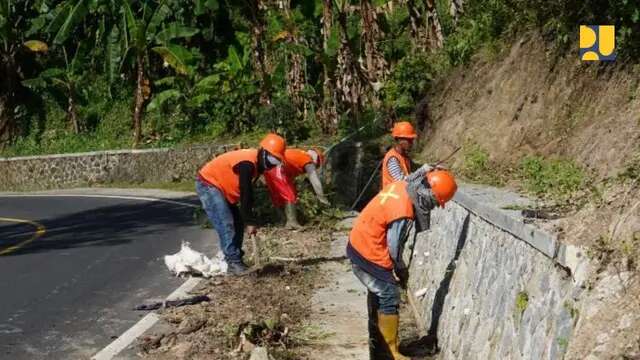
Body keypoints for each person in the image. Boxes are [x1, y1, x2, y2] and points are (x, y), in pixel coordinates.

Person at [347, 166, 458, 359]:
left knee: (379, 292)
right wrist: (399, 268)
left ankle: (380, 340)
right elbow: (393, 246)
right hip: (368, 250)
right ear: (429, 196)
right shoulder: (403, 210)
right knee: (389, 293)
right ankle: (391, 352)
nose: (432, 207)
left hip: (359, 240)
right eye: (434, 203)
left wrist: (424, 169)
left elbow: (413, 177)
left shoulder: (403, 186)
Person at [196, 133, 286, 275]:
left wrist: (248, 219)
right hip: (209, 184)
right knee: (226, 223)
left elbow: (249, 195)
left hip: (221, 189)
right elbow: (245, 192)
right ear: (264, 153)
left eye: (275, 162)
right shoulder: (247, 164)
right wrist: (250, 221)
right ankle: (233, 262)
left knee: (237, 222)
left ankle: (236, 259)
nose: (271, 165)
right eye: (271, 159)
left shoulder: (256, 164)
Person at [264, 147, 330, 229]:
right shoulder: (308, 160)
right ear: (316, 160)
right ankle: (292, 222)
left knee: (277, 196)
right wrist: (322, 198)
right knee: (290, 195)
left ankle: (283, 220)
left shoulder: (298, 154)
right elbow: (314, 180)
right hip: (278, 168)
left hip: (268, 168)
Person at [382, 121, 418, 188]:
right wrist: (422, 171)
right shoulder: (392, 159)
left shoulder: (404, 156)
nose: (411, 143)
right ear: (399, 140)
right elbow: (401, 181)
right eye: (409, 140)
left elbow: (415, 168)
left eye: (412, 140)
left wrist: (430, 168)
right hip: (394, 196)